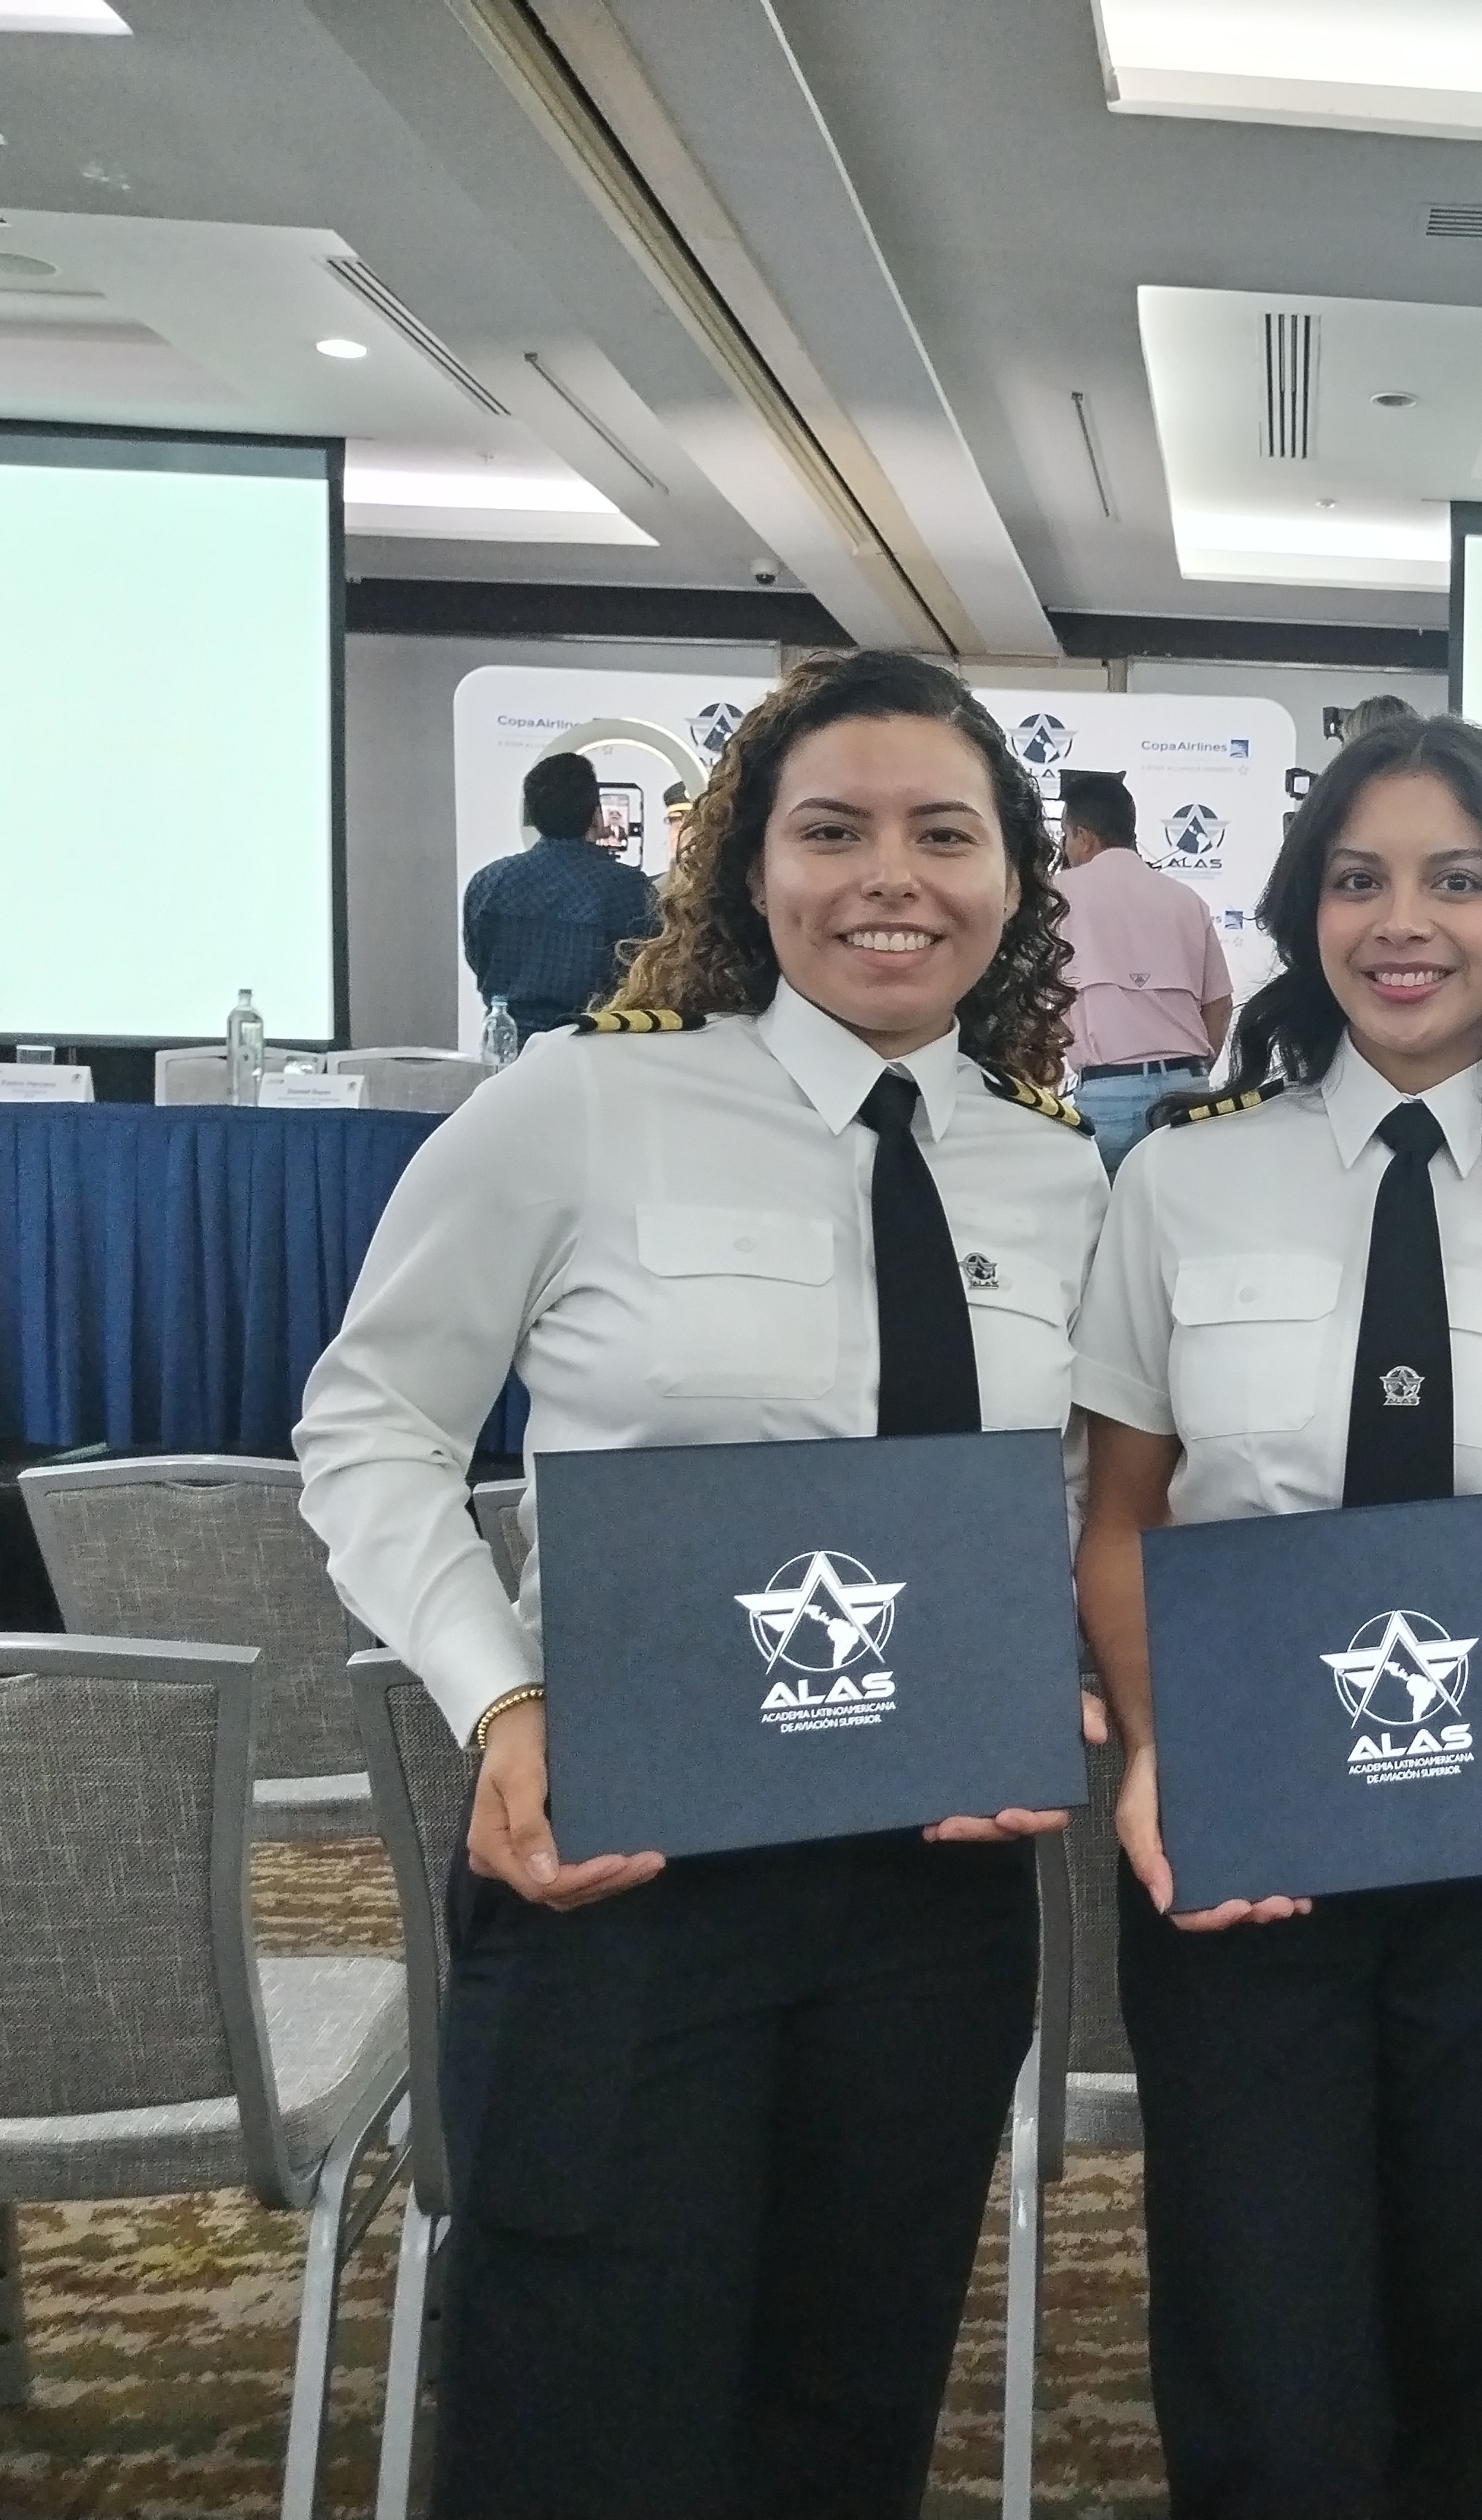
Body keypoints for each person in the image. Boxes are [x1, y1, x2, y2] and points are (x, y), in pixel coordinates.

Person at [295, 650, 1106, 2520]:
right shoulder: (579, 1104)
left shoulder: (1059, 1175)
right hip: (627, 1870)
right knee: (582, 2413)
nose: (888, 875)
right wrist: (500, 1700)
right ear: (748, 867)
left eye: (943, 833)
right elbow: (369, 1426)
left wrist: (1059, 1668)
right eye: (831, 830)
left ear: (1009, 882)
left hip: (937, 1883)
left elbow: (1069, 1498)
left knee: (848, 2406)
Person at [1069, 711, 1482, 2519]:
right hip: (1247, 1825)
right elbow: (1120, 1513)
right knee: (1260, 2337)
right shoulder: (1182, 1178)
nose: (1398, 920)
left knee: (1471, 2313)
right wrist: (1165, 1741)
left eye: (1452, 877)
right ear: (1302, 914)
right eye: (1355, 879)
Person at [1052, 767, 1231, 1170]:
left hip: (1105, 1095)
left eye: (1065, 836)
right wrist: (1193, 1071)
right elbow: (1219, 1005)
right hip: (1187, 1093)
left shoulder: (1058, 899)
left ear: (1082, 836)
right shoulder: (1187, 899)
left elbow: (1043, 1008)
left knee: (1106, 1230)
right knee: (1179, 1229)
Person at [462, 751, 663, 1035]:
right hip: (591, 1046)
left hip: (507, 1045)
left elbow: (477, 958)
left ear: (531, 815)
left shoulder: (487, 882)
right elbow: (648, 973)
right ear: (596, 815)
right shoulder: (628, 889)